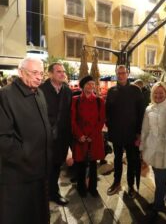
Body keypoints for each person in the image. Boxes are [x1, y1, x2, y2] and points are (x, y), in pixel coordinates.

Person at [0, 57, 52, 224]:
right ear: (21, 72)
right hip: (19, 176)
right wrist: (26, 155)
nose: (39, 77)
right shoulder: (6, 95)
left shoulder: (40, 93)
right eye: (35, 73)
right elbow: (3, 139)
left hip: (41, 171)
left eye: (41, 73)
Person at [140, 82, 166, 214]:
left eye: (161, 93)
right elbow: (145, 129)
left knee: (161, 179)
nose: (158, 95)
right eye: (155, 93)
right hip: (152, 147)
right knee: (157, 177)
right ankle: (159, 201)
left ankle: (159, 204)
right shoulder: (148, 109)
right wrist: (142, 147)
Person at [106, 65, 144, 198]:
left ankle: (130, 185)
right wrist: (110, 127)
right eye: (118, 73)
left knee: (132, 160)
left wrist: (139, 133)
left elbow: (141, 113)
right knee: (117, 159)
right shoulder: (111, 91)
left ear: (128, 74)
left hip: (132, 133)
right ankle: (116, 183)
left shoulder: (135, 90)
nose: (121, 75)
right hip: (116, 132)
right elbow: (107, 112)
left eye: (123, 73)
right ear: (116, 74)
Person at [40, 62, 72, 206]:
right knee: (43, 167)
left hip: (61, 138)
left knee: (56, 166)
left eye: (63, 71)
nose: (62, 74)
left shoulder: (67, 90)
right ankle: (42, 195)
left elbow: (68, 115)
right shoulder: (40, 90)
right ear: (50, 74)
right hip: (44, 137)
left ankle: (53, 193)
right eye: (59, 71)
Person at [71, 75, 105, 197]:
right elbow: (72, 120)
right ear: (83, 86)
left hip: (94, 138)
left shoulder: (99, 101)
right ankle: (81, 188)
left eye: (93, 84)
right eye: (88, 84)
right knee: (80, 164)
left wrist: (93, 135)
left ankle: (93, 188)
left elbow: (101, 120)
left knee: (93, 164)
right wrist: (79, 135)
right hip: (80, 137)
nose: (91, 86)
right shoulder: (75, 100)